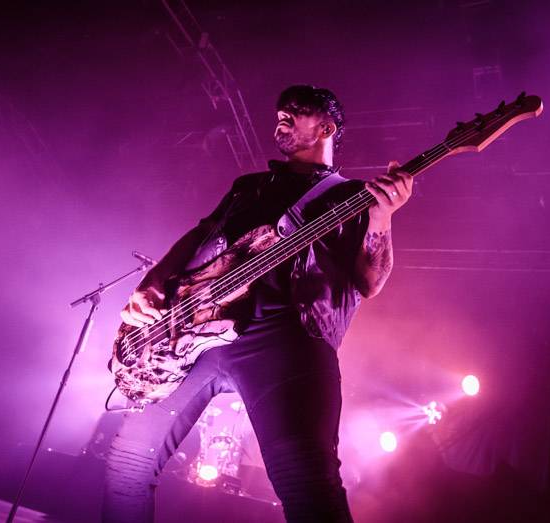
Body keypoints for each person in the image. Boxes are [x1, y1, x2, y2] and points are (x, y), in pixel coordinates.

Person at [102, 85, 413, 522]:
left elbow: (370, 282)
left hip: (287, 338)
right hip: (200, 334)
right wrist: (154, 281)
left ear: (326, 127)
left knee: (306, 484)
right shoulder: (249, 186)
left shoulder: (353, 196)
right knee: (128, 464)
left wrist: (382, 217)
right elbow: (202, 235)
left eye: (297, 111)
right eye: (281, 111)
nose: (282, 116)